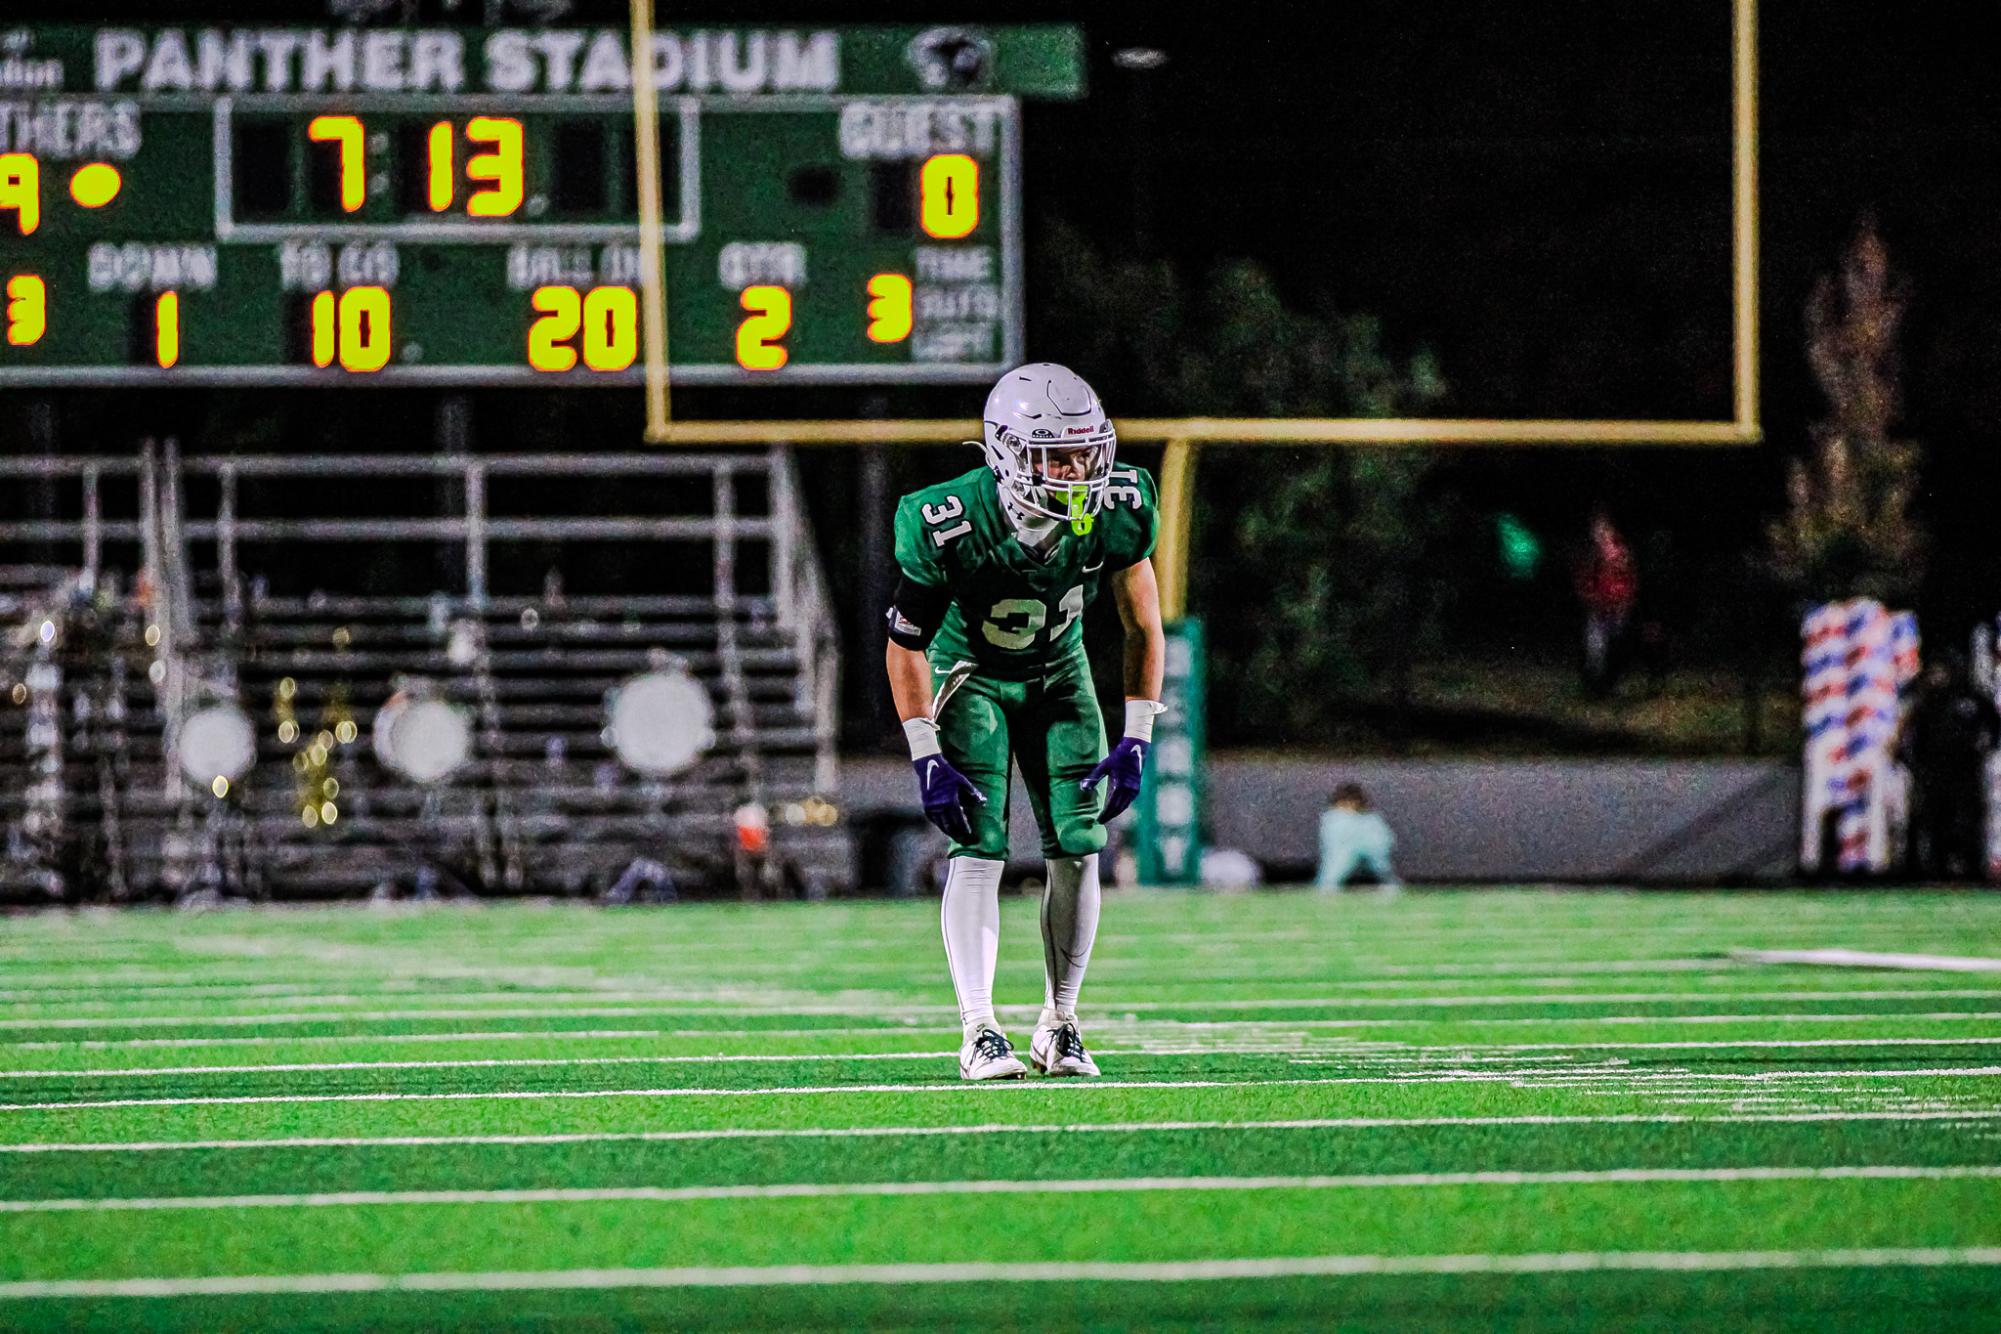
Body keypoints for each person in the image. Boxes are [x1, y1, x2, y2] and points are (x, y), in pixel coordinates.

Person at [884, 363, 1165, 1080]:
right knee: (979, 848)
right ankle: (978, 1030)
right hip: (969, 678)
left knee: (1078, 843)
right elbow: (906, 641)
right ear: (1006, 452)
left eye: (1085, 450)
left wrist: (1138, 732)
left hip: (1059, 678)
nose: (1077, 468)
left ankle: (1059, 1022)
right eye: (1056, 454)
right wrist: (923, 750)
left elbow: (1142, 623)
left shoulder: (1119, 504)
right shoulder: (943, 517)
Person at [1903, 652, 1999, 880]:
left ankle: (1973, 871)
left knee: (1968, 822)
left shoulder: (1973, 698)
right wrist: (1916, 765)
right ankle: (1936, 871)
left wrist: (1984, 749)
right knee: (1935, 822)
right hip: (1935, 774)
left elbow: (1993, 726)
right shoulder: (1928, 701)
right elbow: (1915, 736)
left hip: (1966, 773)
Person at [1574, 511, 1637, 698]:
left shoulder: (1621, 552)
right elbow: (1584, 579)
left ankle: (1608, 685)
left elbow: (1629, 579)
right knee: (1595, 649)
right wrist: (1590, 598)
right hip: (1597, 608)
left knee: (1615, 649)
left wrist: (1625, 601)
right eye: (1597, 528)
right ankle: (1593, 686)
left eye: (1604, 527)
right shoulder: (1591, 554)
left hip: (1618, 608)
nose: (1600, 531)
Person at [1316, 783, 1401, 891]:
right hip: (1342, 852)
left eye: (1352, 802)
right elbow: (1334, 847)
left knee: (1381, 866)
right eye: (1344, 803)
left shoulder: (1371, 820)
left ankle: (1390, 886)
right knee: (1337, 865)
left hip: (1371, 848)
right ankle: (1328, 887)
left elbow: (1383, 841)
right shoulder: (1333, 818)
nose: (1349, 806)